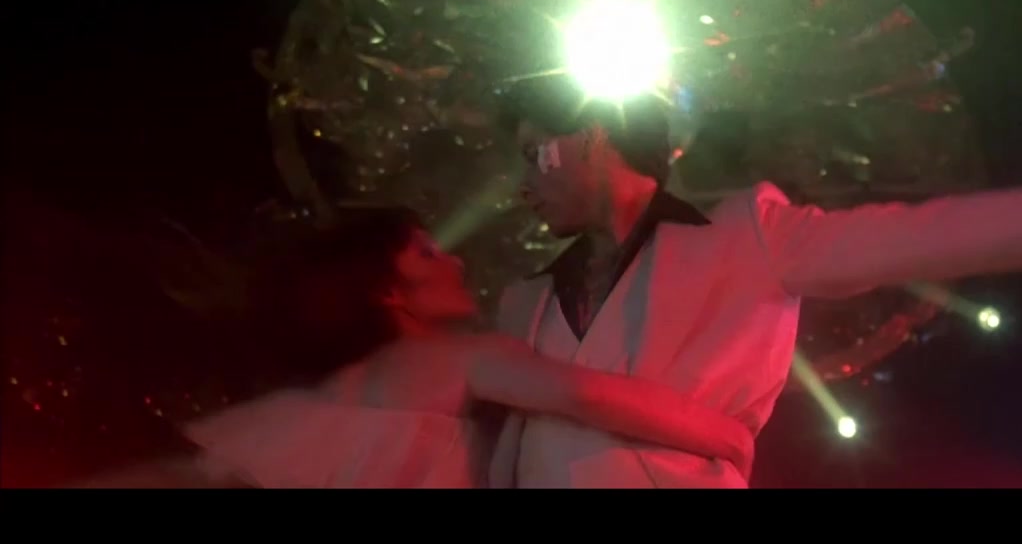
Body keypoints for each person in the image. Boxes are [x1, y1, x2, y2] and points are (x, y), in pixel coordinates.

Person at [490, 77, 1022, 488]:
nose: (522, 183)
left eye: (533, 154)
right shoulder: (524, 300)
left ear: (591, 137)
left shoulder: (743, 234)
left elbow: (932, 234)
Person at [76, 207, 754, 488]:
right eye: (427, 253)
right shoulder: (464, 358)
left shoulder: (320, 400)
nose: (454, 261)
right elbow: (585, 394)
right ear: (386, 289)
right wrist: (727, 435)